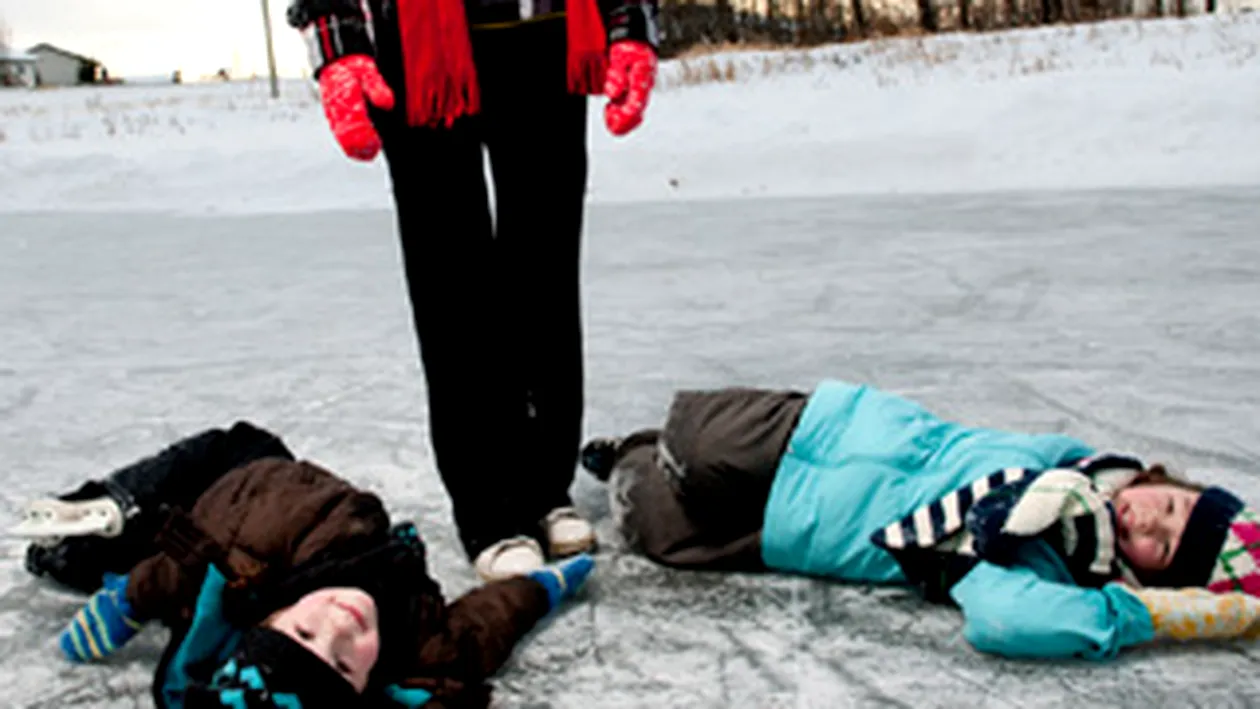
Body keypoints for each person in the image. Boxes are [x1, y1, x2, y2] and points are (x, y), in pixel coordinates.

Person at [285, 0, 660, 583]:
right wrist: (336, 39)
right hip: (417, 42)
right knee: (451, 277)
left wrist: (630, 19)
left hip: (548, 31)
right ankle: (488, 505)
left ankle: (542, 484)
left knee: (546, 269)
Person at [579, 379, 1260, 659]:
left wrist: (1145, 618)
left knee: (654, 526)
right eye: (1169, 507)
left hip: (795, 524)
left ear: (1148, 576)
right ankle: (656, 443)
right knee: (701, 448)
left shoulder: (1040, 563)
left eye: (1160, 546)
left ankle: (629, 458)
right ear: (1163, 480)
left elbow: (1004, 621)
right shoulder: (1070, 466)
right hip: (825, 432)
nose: (1148, 521)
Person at [20, 422, 595, 708]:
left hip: (232, 496)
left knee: (232, 453)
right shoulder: (415, 642)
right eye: (345, 663)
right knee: (77, 557)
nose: (340, 624)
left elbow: (179, 566)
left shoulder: (245, 568)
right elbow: (483, 625)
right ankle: (98, 523)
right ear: (367, 688)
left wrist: (127, 604)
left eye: (302, 629)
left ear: (264, 621)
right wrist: (544, 586)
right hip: (233, 506)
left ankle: (116, 510)